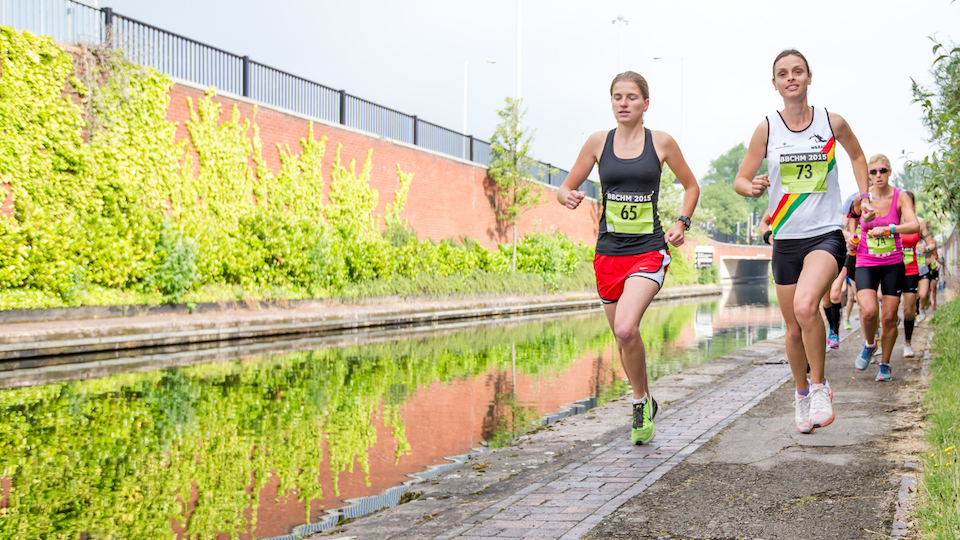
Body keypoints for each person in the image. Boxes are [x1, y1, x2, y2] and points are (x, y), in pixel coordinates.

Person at [734, 50, 873, 435]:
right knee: (793, 329)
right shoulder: (766, 128)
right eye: (783, 73)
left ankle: (819, 386)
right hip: (786, 239)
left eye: (798, 71)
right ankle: (799, 395)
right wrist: (753, 186)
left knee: (806, 305)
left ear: (810, 77)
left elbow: (858, 155)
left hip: (825, 233)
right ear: (775, 83)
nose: (791, 77)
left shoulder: (832, 122)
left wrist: (864, 197)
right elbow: (741, 180)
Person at [558, 71, 699, 445]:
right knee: (623, 339)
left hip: (648, 251)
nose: (624, 103)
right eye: (617, 97)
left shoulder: (662, 143)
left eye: (632, 97)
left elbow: (691, 185)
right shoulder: (597, 142)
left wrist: (682, 223)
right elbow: (566, 186)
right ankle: (647, 397)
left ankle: (638, 403)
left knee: (625, 327)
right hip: (608, 254)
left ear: (645, 104)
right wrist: (567, 196)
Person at [852, 155, 919, 380]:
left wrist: (891, 229)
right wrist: (851, 237)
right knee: (869, 311)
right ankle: (870, 344)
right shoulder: (863, 199)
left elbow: (914, 224)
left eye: (882, 170)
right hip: (866, 261)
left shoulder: (900, 197)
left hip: (892, 263)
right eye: (873, 172)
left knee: (889, 316)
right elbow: (849, 222)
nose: (878, 175)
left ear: (889, 171)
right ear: (868, 174)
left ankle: (886, 364)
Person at [898, 191, 934, 358]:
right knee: (882, 302)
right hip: (893, 267)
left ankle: (907, 343)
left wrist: (926, 248)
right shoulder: (893, 221)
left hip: (914, 268)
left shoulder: (919, 222)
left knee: (908, 310)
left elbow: (932, 243)